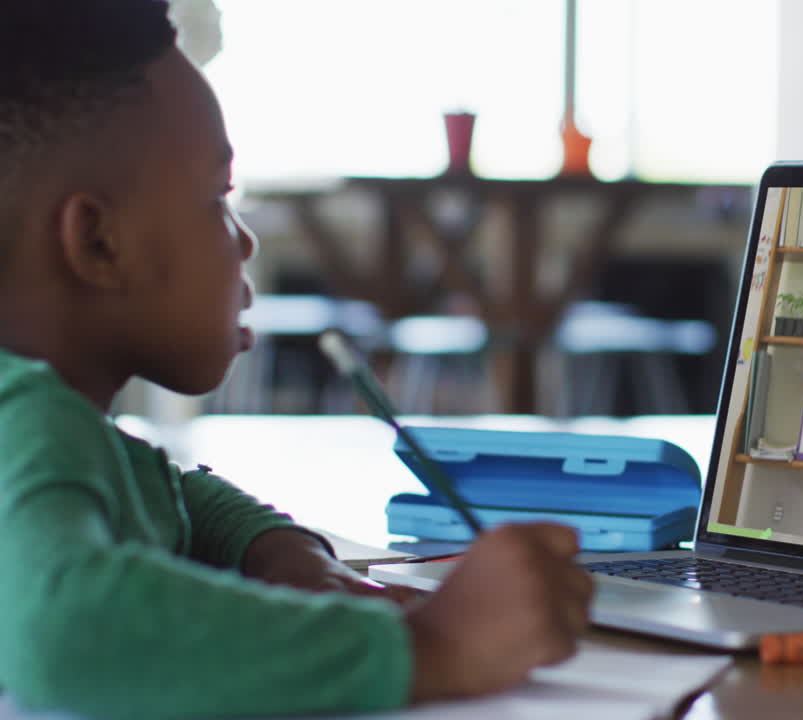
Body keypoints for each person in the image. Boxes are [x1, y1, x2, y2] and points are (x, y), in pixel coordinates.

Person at [0, 2, 591, 718]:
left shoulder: (52, 427)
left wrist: (275, 549)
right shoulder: (30, 425)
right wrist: (435, 648)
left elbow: (171, 493)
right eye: (219, 198)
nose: (244, 242)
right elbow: (68, 636)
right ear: (97, 243)